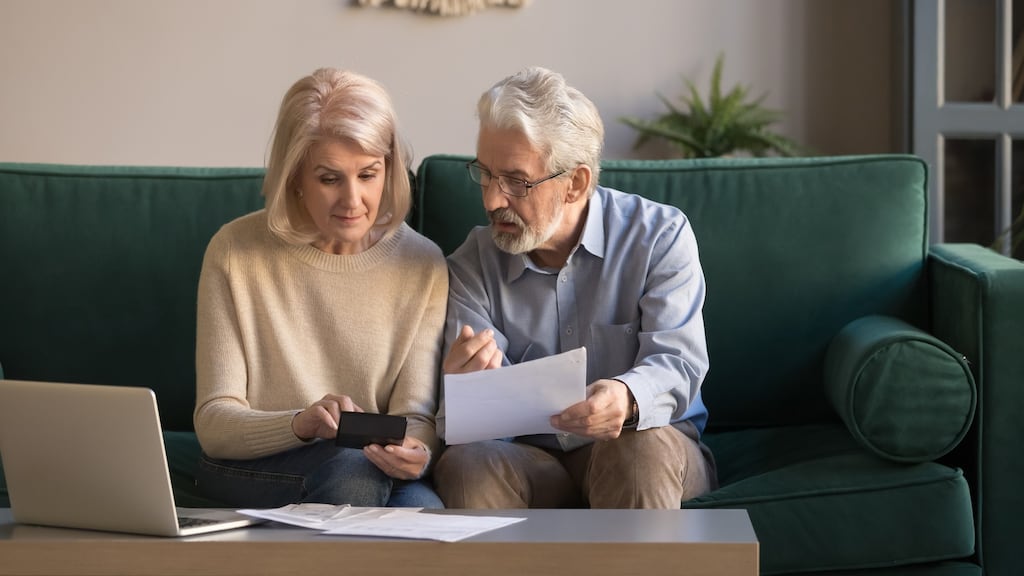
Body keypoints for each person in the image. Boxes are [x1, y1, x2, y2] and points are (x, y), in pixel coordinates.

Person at [433, 66, 717, 509]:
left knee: (638, 448)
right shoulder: (472, 262)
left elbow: (678, 364)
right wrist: (464, 392)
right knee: (470, 463)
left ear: (576, 183)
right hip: (531, 459)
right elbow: (462, 428)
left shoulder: (660, 236)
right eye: (485, 174)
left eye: (516, 181)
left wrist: (626, 397)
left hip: (648, 446)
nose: (491, 199)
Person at [193, 68, 448, 508]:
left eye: (368, 175)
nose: (353, 201)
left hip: (371, 467)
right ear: (295, 176)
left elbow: (416, 416)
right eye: (329, 179)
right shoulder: (234, 252)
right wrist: (300, 423)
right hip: (259, 464)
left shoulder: (423, 263)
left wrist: (418, 452)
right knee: (352, 474)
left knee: (425, 510)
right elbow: (215, 423)